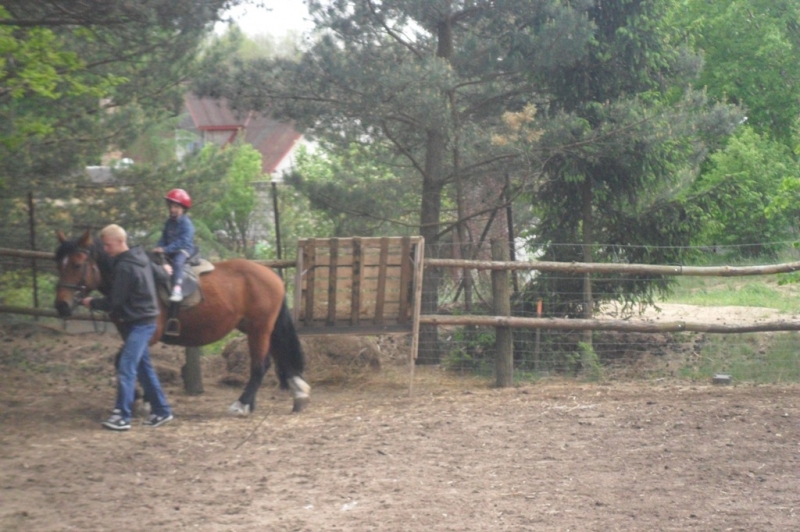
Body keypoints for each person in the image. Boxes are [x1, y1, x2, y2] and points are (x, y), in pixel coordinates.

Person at [82, 224, 174, 431]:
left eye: (108, 245)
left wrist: (92, 302)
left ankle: (122, 416)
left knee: (126, 366)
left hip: (139, 323)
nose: (105, 250)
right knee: (144, 368)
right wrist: (165, 270)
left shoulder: (124, 266)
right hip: (146, 320)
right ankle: (162, 411)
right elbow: (161, 275)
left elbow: (115, 301)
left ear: (120, 242)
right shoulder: (141, 257)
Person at [153, 188, 196, 302]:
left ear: (183, 209)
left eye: (176, 207)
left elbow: (183, 241)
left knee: (177, 262)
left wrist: (166, 249)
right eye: (171, 206)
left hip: (184, 249)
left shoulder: (186, 224)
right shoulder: (169, 222)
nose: (172, 209)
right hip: (170, 249)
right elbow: (164, 237)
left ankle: (177, 289)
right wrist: (159, 247)